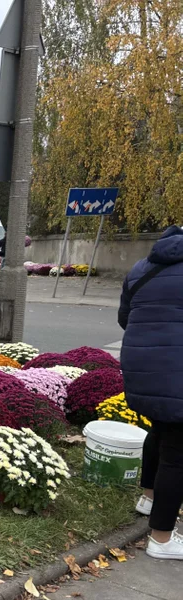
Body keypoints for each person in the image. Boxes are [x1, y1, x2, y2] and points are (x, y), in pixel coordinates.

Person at [118, 225, 183, 559]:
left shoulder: (142, 268)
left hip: (141, 369)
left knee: (159, 431)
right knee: (177, 454)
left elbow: (125, 318)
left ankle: (149, 498)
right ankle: (161, 538)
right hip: (176, 372)